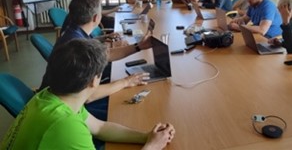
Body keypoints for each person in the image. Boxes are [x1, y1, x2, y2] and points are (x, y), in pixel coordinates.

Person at [1, 39, 175, 149]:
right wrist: (152, 147)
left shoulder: (53, 96)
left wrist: (146, 137)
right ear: (94, 80)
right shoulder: (65, 126)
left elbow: (100, 128)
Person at [39, 0, 152, 120]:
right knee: (128, 110)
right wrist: (125, 82)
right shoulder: (75, 46)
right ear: (96, 18)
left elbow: (105, 55)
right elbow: (88, 96)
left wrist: (138, 46)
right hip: (66, 110)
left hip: (58, 100)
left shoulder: (74, 32)